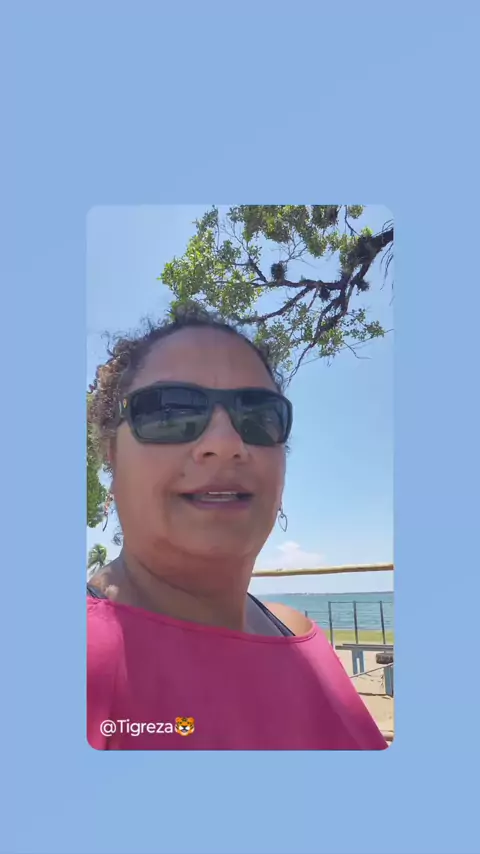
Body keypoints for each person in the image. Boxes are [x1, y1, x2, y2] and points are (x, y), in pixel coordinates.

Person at [87, 307, 387, 750]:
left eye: (259, 417)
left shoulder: (298, 633)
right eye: (170, 412)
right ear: (112, 455)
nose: (226, 444)